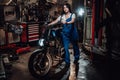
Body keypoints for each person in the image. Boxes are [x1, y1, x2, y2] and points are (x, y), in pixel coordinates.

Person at [48, 3, 80, 67]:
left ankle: (76, 57)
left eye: (66, 7)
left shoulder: (72, 15)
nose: (65, 9)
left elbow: (72, 20)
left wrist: (67, 22)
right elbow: (56, 21)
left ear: (69, 8)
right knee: (66, 48)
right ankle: (67, 62)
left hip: (72, 33)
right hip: (65, 34)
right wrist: (49, 24)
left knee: (75, 46)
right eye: (64, 8)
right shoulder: (62, 16)